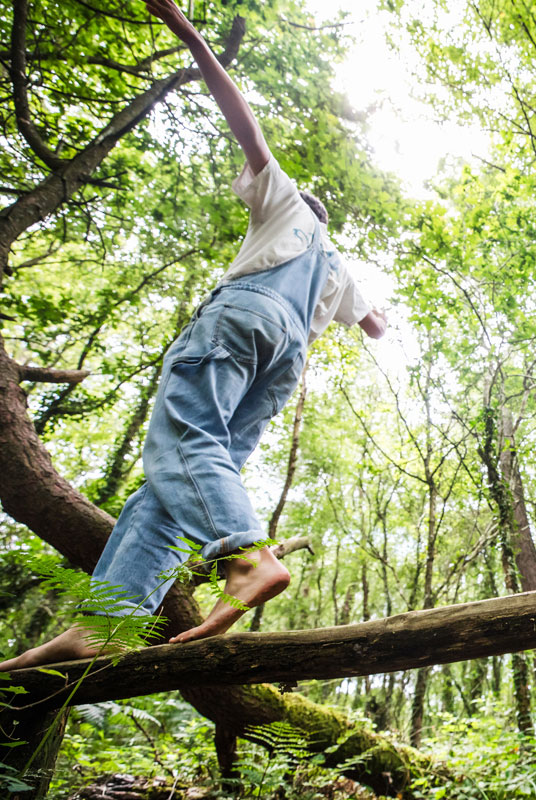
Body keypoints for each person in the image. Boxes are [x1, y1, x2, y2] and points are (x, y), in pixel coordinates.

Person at [0, 0, 387, 671]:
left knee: (184, 442)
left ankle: (245, 555)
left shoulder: (288, 203)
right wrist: (361, 305)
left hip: (243, 320)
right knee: (176, 478)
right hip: (284, 362)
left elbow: (247, 125)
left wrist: (187, 33)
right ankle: (107, 625)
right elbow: (376, 325)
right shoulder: (338, 267)